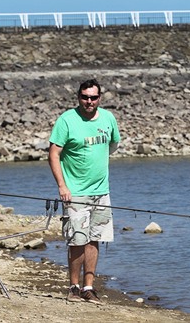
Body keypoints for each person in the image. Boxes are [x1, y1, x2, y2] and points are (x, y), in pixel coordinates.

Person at [48, 79, 121, 304]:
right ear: (78, 97)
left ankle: (89, 287)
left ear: (100, 98)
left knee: (94, 239)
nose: (89, 102)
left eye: (93, 97)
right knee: (77, 240)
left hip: (101, 191)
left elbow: (113, 145)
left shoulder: (108, 119)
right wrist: (62, 186)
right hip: (75, 192)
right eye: (85, 97)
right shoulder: (67, 120)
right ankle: (73, 287)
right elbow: (53, 154)